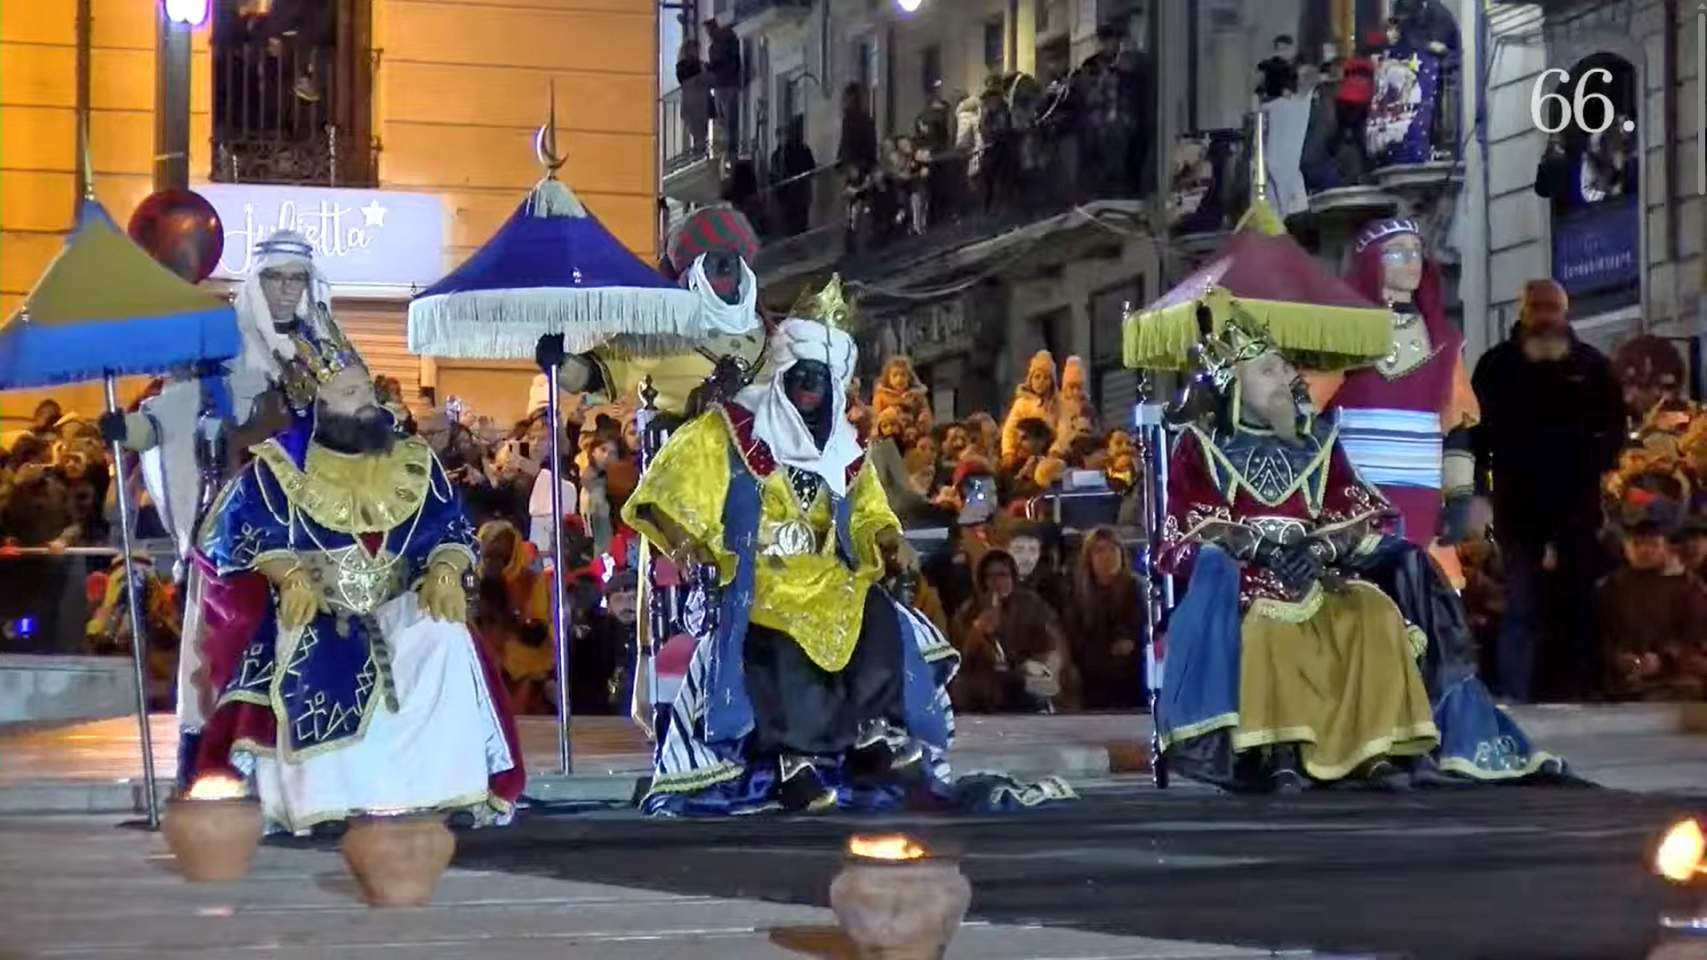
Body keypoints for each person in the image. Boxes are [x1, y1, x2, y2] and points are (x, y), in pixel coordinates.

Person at [1151, 312, 1559, 790]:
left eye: (1285, 369)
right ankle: (1281, 755)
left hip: (1320, 567)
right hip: (1245, 575)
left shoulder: (1320, 443)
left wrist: (1322, 549)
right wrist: (1263, 550)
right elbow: (1189, 527)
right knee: (1271, 624)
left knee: (1375, 611)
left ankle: (1380, 750)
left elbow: (1367, 513)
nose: (1285, 380)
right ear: (1235, 386)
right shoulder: (1199, 448)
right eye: (1268, 372)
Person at [621, 281, 960, 815]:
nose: (808, 385)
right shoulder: (729, 429)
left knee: (876, 614)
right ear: (782, 375)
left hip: (829, 573)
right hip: (756, 571)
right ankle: (790, 760)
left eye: (820, 378)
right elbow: (666, 489)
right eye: (800, 374)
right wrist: (686, 542)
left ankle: (868, 733)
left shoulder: (846, 448)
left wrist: (889, 539)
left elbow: (871, 511)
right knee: (771, 634)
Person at [191, 337, 523, 834]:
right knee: (305, 650)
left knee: (445, 636)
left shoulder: (415, 461)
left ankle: (444, 790)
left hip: (400, 599)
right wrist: (291, 576)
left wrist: (447, 569)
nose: (367, 402)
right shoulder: (275, 470)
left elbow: (449, 527)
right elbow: (246, 533)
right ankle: (324, 804)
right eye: (350, 393)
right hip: (316, 609)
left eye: (366, 389)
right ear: (318, 407)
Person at [100, 229, 342, 784]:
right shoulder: (221, 348)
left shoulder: (327, 349)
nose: (286, 291)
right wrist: (128, 428)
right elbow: (172, 417)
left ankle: (310, 772)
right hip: (236, 527)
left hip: (317, 527)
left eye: (297, 279)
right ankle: (216, 761)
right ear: (257, 282)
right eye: (276, 278)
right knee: (220, 644)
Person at [1472, 279, 1625, 701]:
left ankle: (1580, 689)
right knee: (1520, 601)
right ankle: (1516, 694)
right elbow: (1474, 434)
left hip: (1576, 506)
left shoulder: (1591, 366)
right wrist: (1477, 492)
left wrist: (1595, 462)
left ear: (1565, 311)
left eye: (1551, 307)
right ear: (1523, 311)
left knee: (1579, 599)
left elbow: (1615, 427)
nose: (1544, 316)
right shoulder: (1497, 367)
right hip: (1517, 507)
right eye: (1536, 307)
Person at [1311, 218, 1479, 583]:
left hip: (1423, 505)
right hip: (1352, 504)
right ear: (1372, 262)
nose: (1411, 261)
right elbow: (1309, 415)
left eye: (1416, 251)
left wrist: (1460, 499)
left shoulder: (1445, 342)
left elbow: (1456, 426)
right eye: (1398, 253)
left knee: (1426, 610)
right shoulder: (1341, 335)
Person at [951, 550, 1079, 713]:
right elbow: (959, 658)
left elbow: (1054, 644)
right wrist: (977, 634)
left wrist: (1041, 665)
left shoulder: (1032, 605)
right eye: (991, 576)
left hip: (1029, 673)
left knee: (1040, 686)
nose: (997, 582)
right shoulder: (969, 610)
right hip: (989, 681)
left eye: (1003, 575)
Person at [472, 520, 555, 715]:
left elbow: (538, 635)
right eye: (489, 556)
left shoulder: (533, 582)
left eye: (502, 556)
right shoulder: (471, 583)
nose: (495, 563)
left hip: (525, 678)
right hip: (481, 675)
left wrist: (508, 618)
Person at [1070, 527, 1144, 710]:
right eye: (1099, 551)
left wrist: (1132, 643)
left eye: (1113, 549)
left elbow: (1145, 630)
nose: (1107, 556)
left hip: (1134, 676)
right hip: (1092, 679)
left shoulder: (1137, 589)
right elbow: (1075, 640)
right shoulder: (1077, 594)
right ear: (1089, 559)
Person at [705, 18, 742, 150]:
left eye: (711, 31)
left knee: (730, 119)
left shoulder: (728, 43)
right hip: (719, 86)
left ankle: (732, 147)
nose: (709, 34)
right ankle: (726, 148)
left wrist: (717, 66)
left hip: (729, 85)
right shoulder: (712, 48)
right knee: (722, 121)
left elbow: (733, 63)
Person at [676, 37, 711, 156]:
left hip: (700, 100)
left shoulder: (700, 64)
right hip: (693, 100)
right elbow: (685, 80)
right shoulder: (683, 66)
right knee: (695, 129)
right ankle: (699, 152)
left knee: (701, 130)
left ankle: (701, 151)